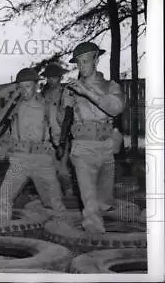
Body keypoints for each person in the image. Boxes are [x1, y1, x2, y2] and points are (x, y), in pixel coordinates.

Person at [63, 41, 125, 234]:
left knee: (104, 201)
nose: (81, 66)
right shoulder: (71, 89)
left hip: (106, 146)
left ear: (96, 60)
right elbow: (61, 120)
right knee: (89, 199)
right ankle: (93, 239)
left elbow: (116, 108)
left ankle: (101, 216)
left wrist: (87, 92)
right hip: (82, 148)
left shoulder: (110, 86)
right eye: (78, 63)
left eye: (85, 61)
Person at [0, 68, 67, 223]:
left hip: (42, 160)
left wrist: (59, 157)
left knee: (54, 202)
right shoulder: (14, 107)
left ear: (36, 86)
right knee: (4, 198)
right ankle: (1, 233)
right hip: (19, 159)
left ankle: (63, 233)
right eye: (20, 87)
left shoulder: (48, 107)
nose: (24, 91)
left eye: (27, 86)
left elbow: (57, 134)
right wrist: (11, 101)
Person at [41, 62, 73, 196]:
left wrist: (62, 142)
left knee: (63, 170)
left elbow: (68, 117)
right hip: (48, 138)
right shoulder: (43, 95)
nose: (51, 80)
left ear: (60, 77)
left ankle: (69, 194)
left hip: (63, 136)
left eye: (54, 77)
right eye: (48, 77)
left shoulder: (65, 93)